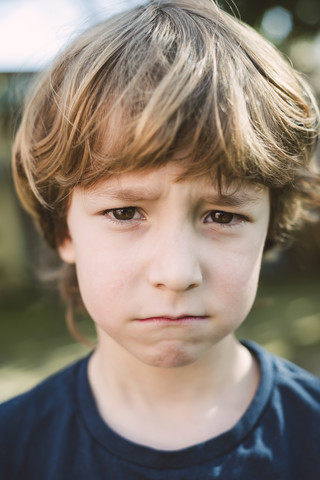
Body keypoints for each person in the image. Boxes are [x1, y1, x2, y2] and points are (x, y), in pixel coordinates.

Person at [1, 0, 320, 478]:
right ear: (63, 229)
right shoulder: (13, 448)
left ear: (269, 226)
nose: (175, 274)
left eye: (222, 215)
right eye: (124, 212)